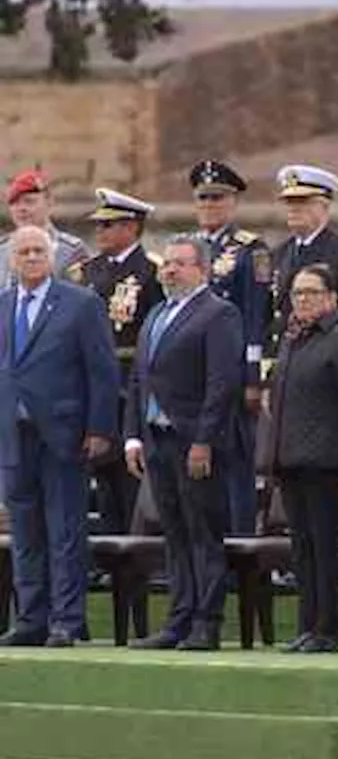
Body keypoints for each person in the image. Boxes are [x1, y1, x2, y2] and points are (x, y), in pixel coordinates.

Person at [124, 234, 244, 651]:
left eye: (179, 263)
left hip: (194, 441)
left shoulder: (218, 314)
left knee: (201, 532)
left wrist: (204, 440)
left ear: (202, 269)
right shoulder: (157, 312)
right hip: (157, 440)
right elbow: (140, 377)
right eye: (167, 263)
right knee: (173, 533)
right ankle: (178, 618)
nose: (169, 270)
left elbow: (222, 382)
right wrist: (133, 436)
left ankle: (206, 622)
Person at [0, 226, 118, 647]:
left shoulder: (80, 303)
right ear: (12, 260)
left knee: (65, 530)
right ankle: (30, 618)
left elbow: (102, 371)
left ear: (51, 257)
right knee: (25, 532)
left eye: (38, 251)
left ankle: (66, 620)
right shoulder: (3, 304)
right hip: (13, 435)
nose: (31, 257)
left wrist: (100, 428)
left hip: (63, 434)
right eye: (23, 252)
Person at [260, 264, 338, 654]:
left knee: (327, 549)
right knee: (302, 550)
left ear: (331, 298)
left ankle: (328, 628)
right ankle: (307, 624)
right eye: (297, 293)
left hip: (327, 464)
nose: (303, 300)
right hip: (292, 460)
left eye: (311, 292)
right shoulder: (294, 339)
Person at [77, 189, 165, 537]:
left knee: (129, 481)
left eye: (108, 224)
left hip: (130, 385)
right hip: (90, 389)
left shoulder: (151, 271)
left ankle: (135, 567)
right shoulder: (84, 272)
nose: (100, 231)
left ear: (132, 227)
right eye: (98, 224)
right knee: (98, 484)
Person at [190, 159, 272, 536]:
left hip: (232, 371)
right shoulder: (187, 249)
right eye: (203, 198)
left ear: (233, 202)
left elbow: (256, 317)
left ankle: (241, 545)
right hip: (193, 373)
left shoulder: (249, 250)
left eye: (217, 198)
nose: (209, 205)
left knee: (236, 464)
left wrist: (254, 376)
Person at [267, 164, 338, 361]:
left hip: (330, 357)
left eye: (302, 201)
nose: (293, 209)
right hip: (286, 356)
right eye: (289, 202)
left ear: (324, 205)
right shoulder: (279, 254)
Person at [0, 169, 90, 287]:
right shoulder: (3, 248)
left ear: (49, 203)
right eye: (15, 203)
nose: (22, 209)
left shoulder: (70, 251)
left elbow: (79, 298)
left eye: (29, 202)